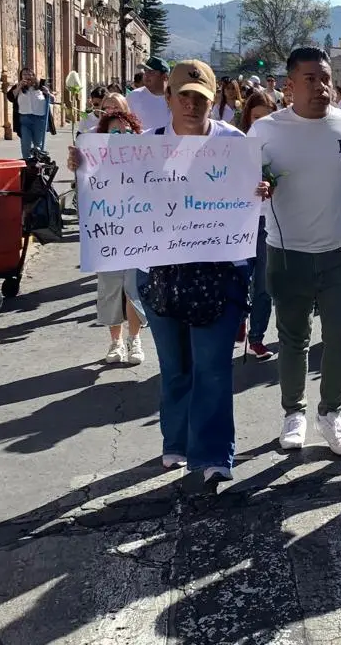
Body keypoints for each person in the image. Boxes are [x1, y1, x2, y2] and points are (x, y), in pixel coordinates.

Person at [248, 47, 341, 456]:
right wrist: (254, 190)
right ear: (289, 85)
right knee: (293, 339)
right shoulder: (266, 131)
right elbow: (237, 186)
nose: (320, 86)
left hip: (340, 251)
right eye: (309, 79)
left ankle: (331, 413)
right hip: (287, 252)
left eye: (324, 78)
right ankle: (294, 412)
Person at [131, 60, 262, 486]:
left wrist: (262, 189)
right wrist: (87, 167)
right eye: (183, 96)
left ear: (214, 101)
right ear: (167, 98)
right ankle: (178, 441)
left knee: (213, 366)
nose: (191, 105)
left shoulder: (235, 145)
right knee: (175, 366)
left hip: (218, 273)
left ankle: (213, 453)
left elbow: (251, 200)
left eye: (201, 98)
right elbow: (115, 191)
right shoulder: (143, 147)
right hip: (160, 274)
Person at [69, 107, 149, 365]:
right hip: (107, 236)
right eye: (115, 131)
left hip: (137, 235)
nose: (121, 136)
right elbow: (83, 195)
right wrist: (77, 166)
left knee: (133, 286)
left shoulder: (146, 161)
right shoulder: (94, 164)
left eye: (127, 131)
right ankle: (115, 342)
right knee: (110, 289)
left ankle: (134, 340)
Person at [237, 91, 280, 360]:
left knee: (264, 284)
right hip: (241, 220)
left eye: (267, 117)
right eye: (256, 118)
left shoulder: (283, 146)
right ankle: (239, 317)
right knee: (240, 277)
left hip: (270, 221)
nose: (261, 123)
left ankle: (257, 337)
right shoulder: (236, 144)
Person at [6, 67, 52, 159]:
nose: (27, 77)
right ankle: (27, 166)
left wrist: (48, 93)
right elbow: (11, 97)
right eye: (25, 74)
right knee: (25, 144)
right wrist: (19, 87)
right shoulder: (17, 87)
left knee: (38, 146)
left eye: (29, 74)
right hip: (24, 120)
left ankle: (38, 166)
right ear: (21, 77)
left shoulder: (41, 86)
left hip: (39, 119)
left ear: (33, 76)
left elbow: (52, 99)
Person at [126, 57, 171, 133]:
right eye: (145, 71)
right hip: (141, 144)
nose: (146, 75)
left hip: (169, 144)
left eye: (151, 72)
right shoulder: (133, 96)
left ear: (165, 77)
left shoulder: (176, 98)